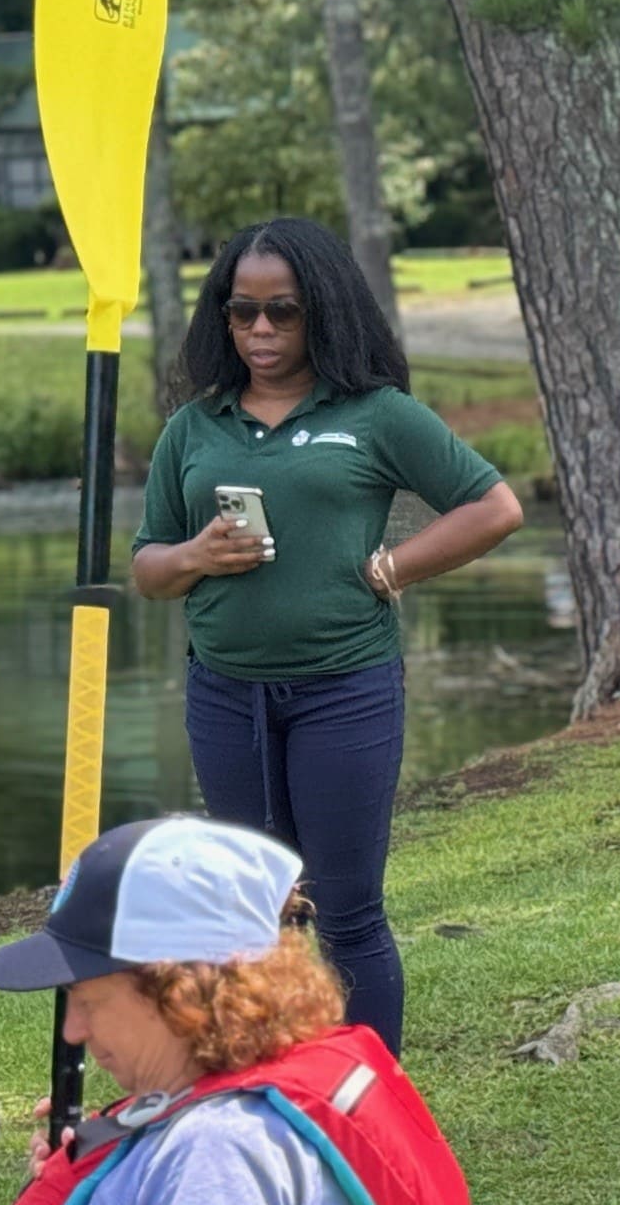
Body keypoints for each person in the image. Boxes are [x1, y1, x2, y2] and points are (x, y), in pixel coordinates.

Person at [131, 218, 524, 1058]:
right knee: (252, 912)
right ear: (222, 317)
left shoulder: (374, 415)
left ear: (324, 313)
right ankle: (269, 1096)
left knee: (346, 909)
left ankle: (368, 1105)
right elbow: (147, 571)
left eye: (284, 312)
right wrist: (197, 554)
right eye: (243, 313)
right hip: (225, 695)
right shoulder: (193, 430)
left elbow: (494, 507)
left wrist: (393, 569)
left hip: (345, 692)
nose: (261, 331)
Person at [0, 816, 469, 1205]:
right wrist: (100, 1177)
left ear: (181, 992)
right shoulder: (231, 1106)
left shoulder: (219, 1158)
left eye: (88, 999)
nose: (74, 1029)